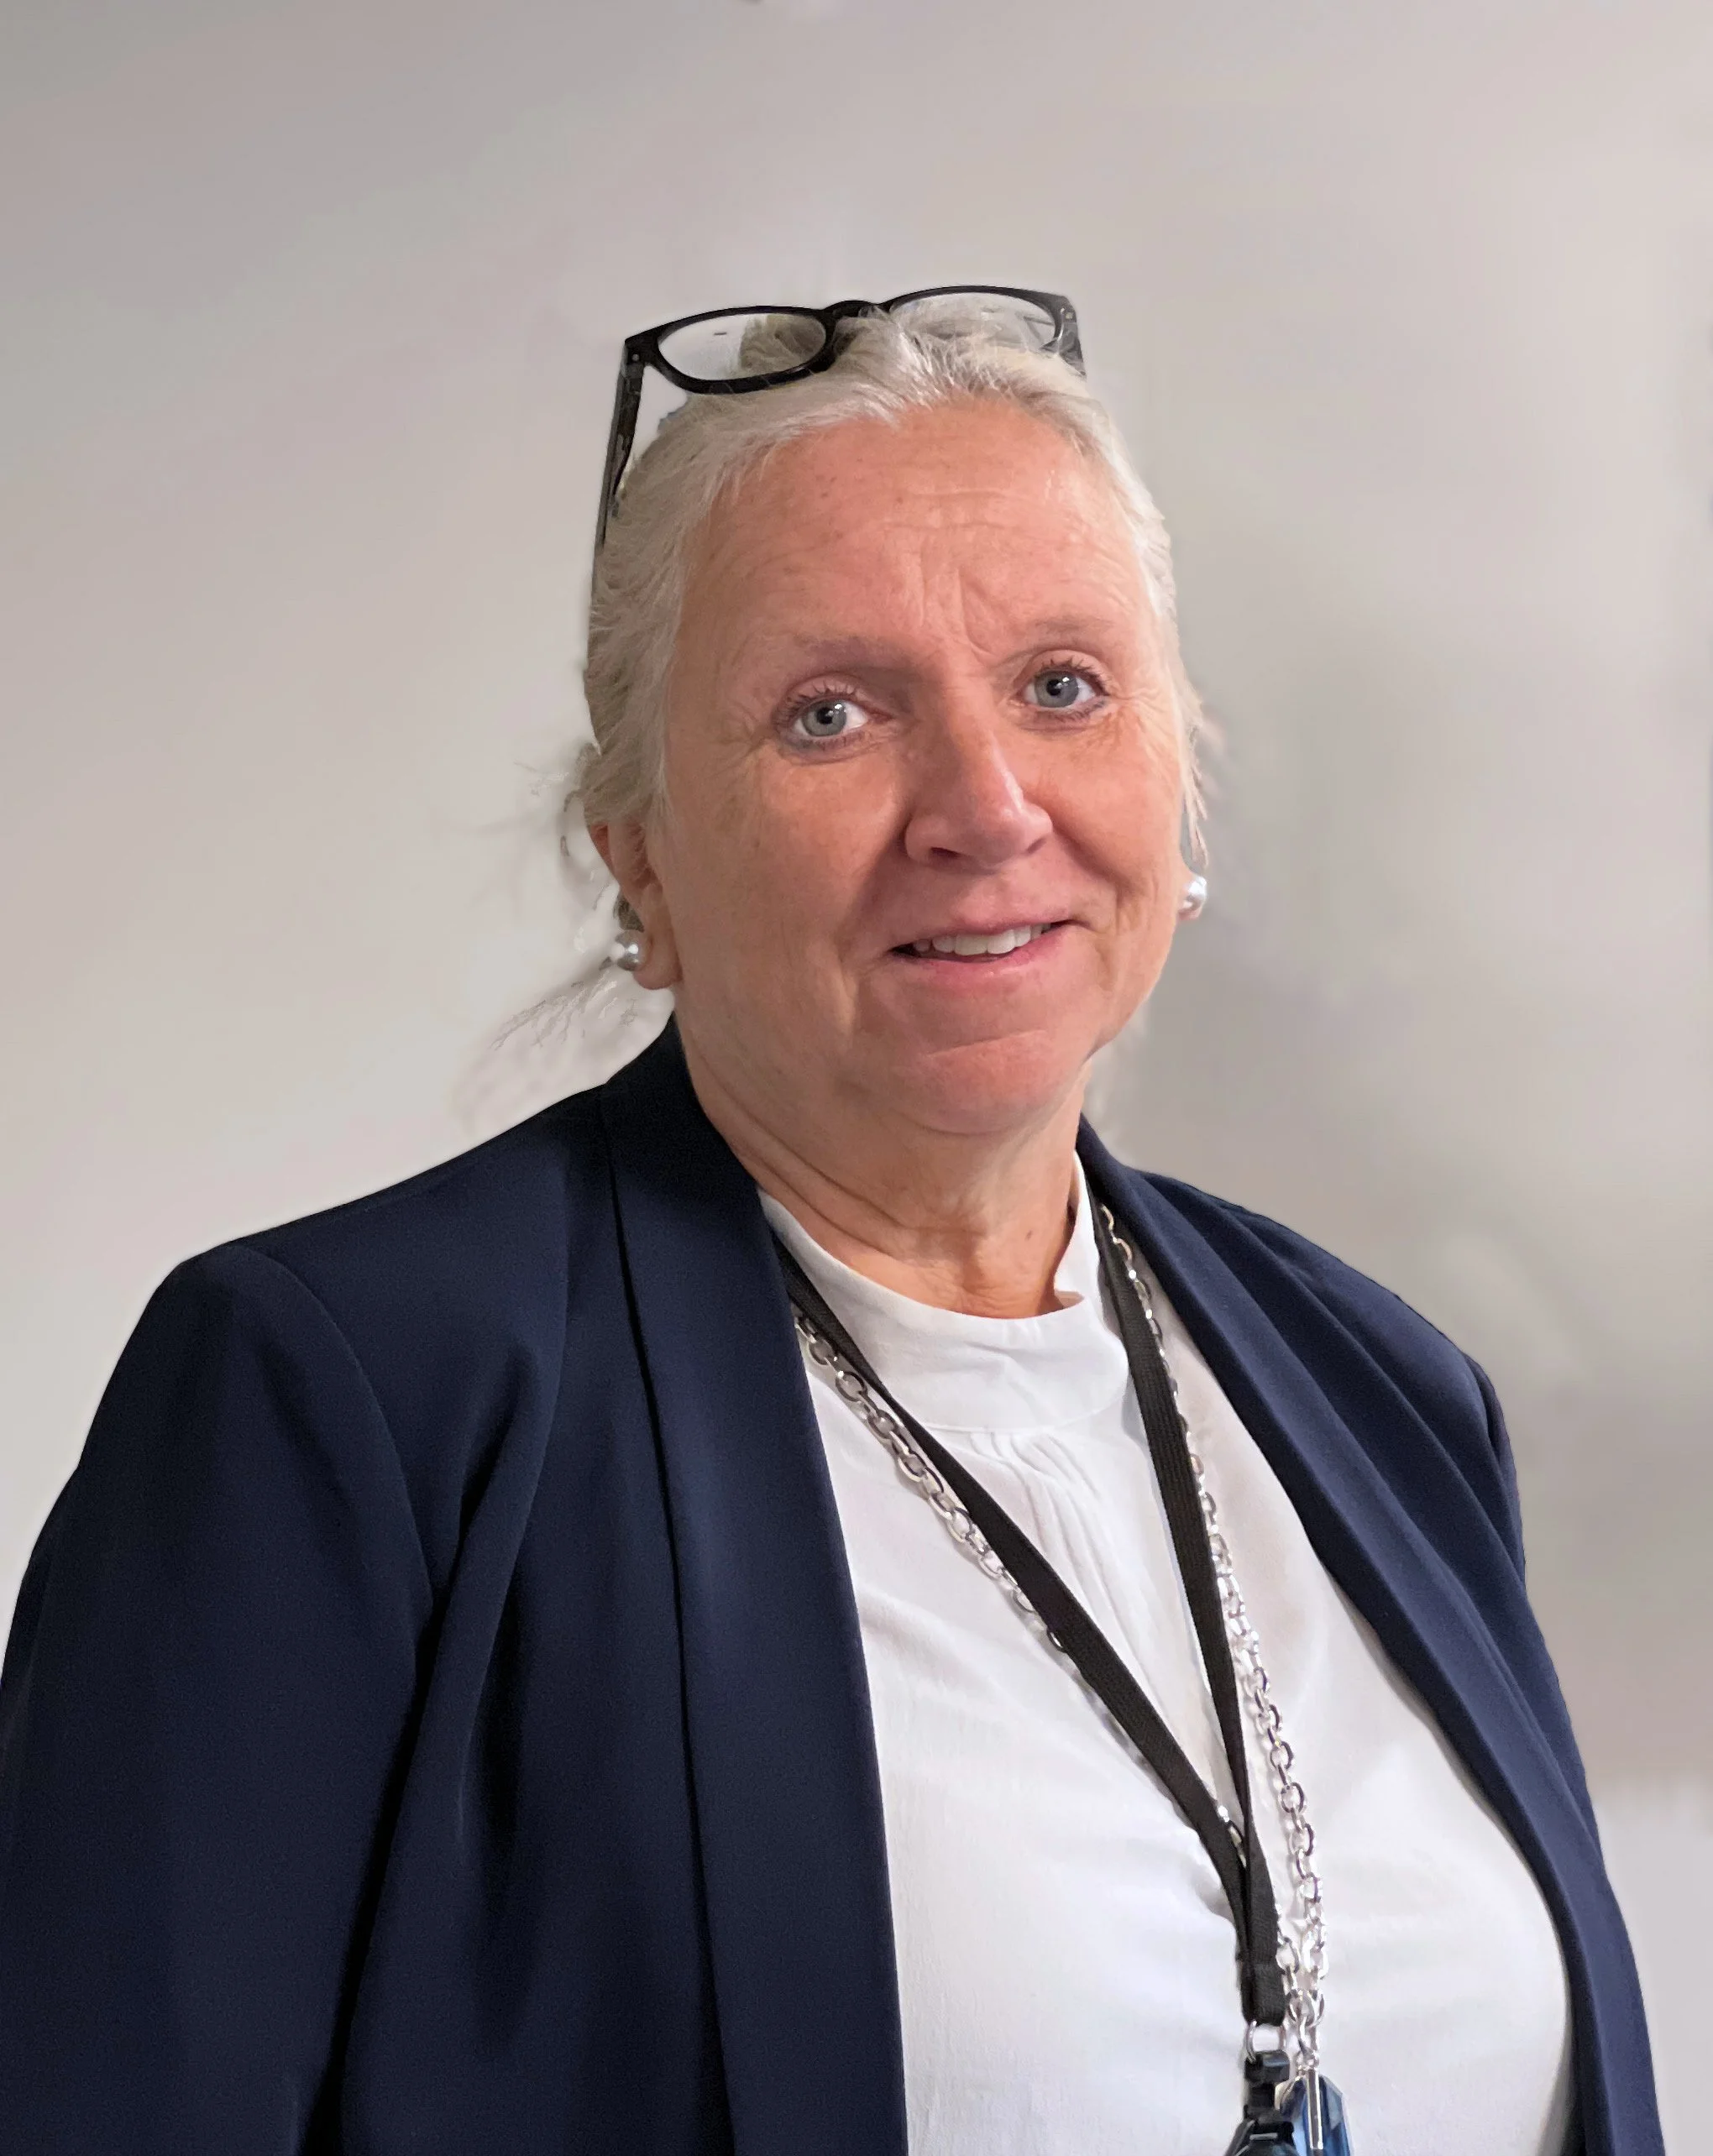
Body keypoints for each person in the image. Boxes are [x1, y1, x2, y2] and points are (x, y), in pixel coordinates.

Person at [0, 290, 1661, 2156]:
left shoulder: (1389, 1391)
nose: (984, 807)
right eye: (830, 714)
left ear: (1175, 785)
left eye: (1062, 684)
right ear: (640, 852)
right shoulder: (351, 1405)